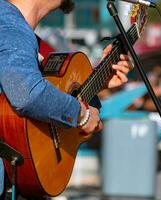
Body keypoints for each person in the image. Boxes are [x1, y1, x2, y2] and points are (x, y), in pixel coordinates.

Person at [0, 0, 133, 198]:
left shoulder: (25, 35)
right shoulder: (9, 25)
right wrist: (82, 115)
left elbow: (39, 98)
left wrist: (98, 82)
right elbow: (26, 94)